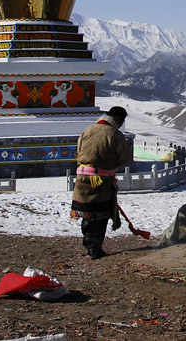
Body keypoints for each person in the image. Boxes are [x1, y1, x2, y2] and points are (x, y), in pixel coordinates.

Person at [70, 106, 132, 259]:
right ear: (119, 120)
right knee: (100, 214)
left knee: (87, 213)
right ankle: (94, 247)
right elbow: (124, 158)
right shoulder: (114, 134)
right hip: (102, 181)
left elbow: (78, 150)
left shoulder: (88, 130)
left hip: (82, 179)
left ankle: (89, 244)